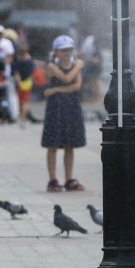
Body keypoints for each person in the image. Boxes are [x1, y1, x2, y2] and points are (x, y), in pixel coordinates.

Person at [41, 35, 86, 192]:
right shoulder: (52, 66)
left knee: (69, 144)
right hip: (56, 108)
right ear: (56, 52)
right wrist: (79, 66)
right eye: (63, 50)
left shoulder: (74, 65)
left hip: (71, 106)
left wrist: (55, 90)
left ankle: (69, 178)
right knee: (53, 143)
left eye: (69, 50)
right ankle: (53, 179)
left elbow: (77, 86)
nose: (66, 53)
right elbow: (67, 79)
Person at [12, 47, 35, 127]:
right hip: (28, 83)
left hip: (21, 84)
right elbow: (32, 73)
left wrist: (18, 83)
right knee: (25, 102)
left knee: (21, 102)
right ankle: (23, 118)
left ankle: (22, 118)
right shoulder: (30, 62)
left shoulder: (18, 62)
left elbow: (17, 74)